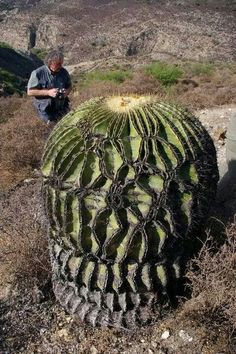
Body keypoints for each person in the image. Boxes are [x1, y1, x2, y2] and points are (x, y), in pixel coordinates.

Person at [27, 49, 72, 124]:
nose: (60, 66)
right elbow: (30, 92)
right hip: (45, 111)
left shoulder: (64, 72)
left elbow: (69, 86)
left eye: (61, 64)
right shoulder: (38, 73)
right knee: (49, 130)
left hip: (62, 108)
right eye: (58, 64)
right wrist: (48, 92)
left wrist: (65, 93)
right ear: (50, 62)